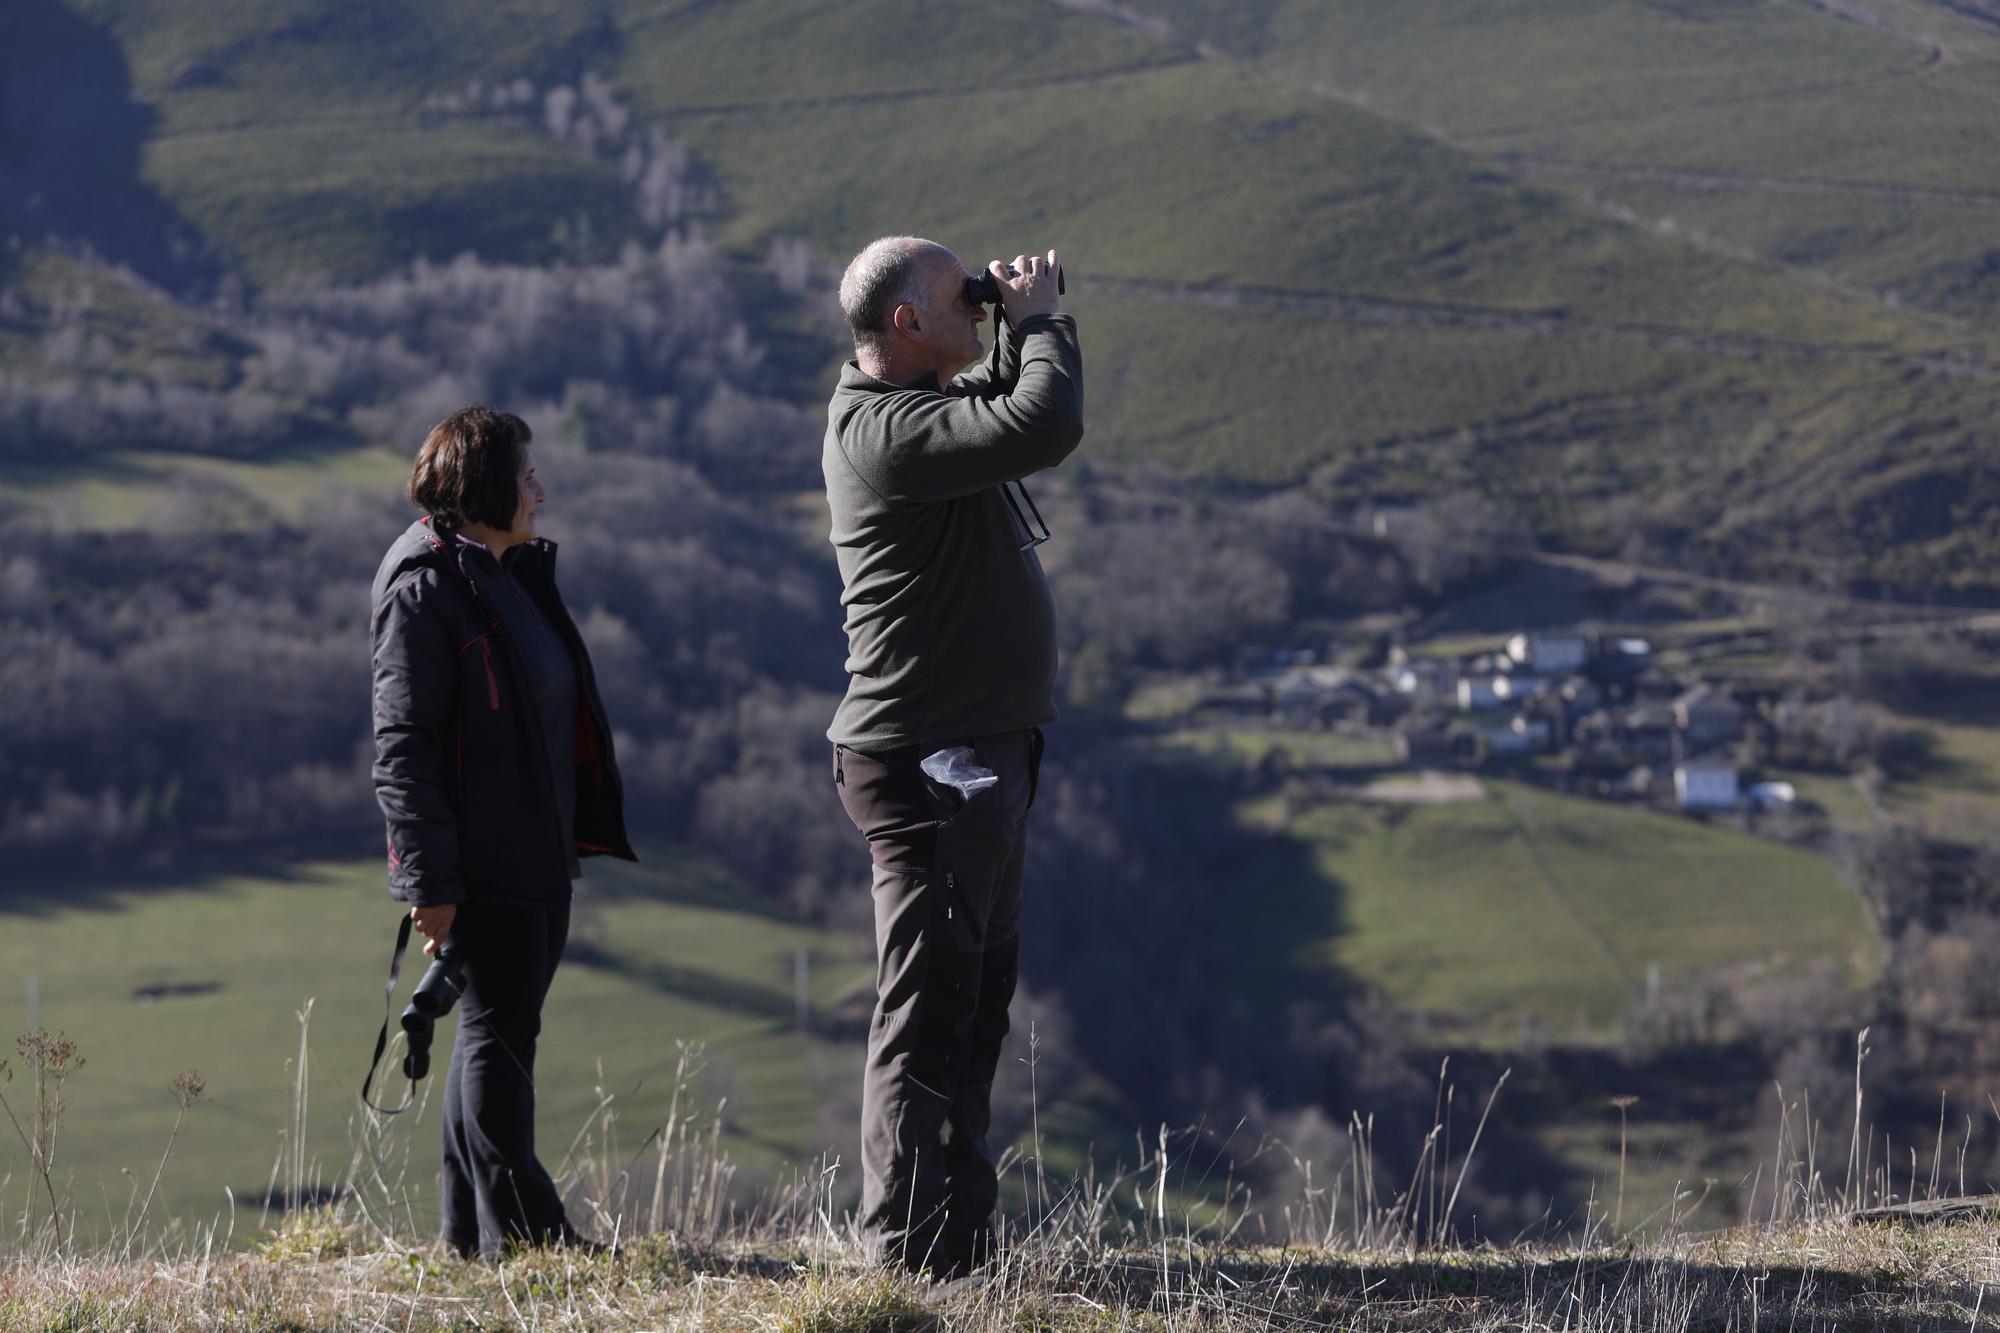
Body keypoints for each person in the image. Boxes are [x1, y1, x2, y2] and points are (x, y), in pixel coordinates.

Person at [823, 237, 1084, 1276]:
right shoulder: (884, 434)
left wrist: (1012, 324)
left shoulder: (912, 409)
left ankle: (955, 1237)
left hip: (977, 752)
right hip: (930, 758)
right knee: (927, 1005)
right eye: (955, 295)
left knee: (972, 1000)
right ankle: (900, 1247)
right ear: (905, 324)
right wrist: (1041, 322)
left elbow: (1002, 404)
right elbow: (1044, 421)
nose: (973, 302)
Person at [370, 405, 636, 1258]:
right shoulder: (425, 587)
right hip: (484, 862)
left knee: (492, 1032)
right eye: (526, 480)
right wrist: (428, 882)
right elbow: (402, 746)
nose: (541, 494)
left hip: (531, 849)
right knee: (498, 1040)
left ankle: (467, 1239)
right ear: (485, 486)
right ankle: (532, 1240)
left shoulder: (494, 571)